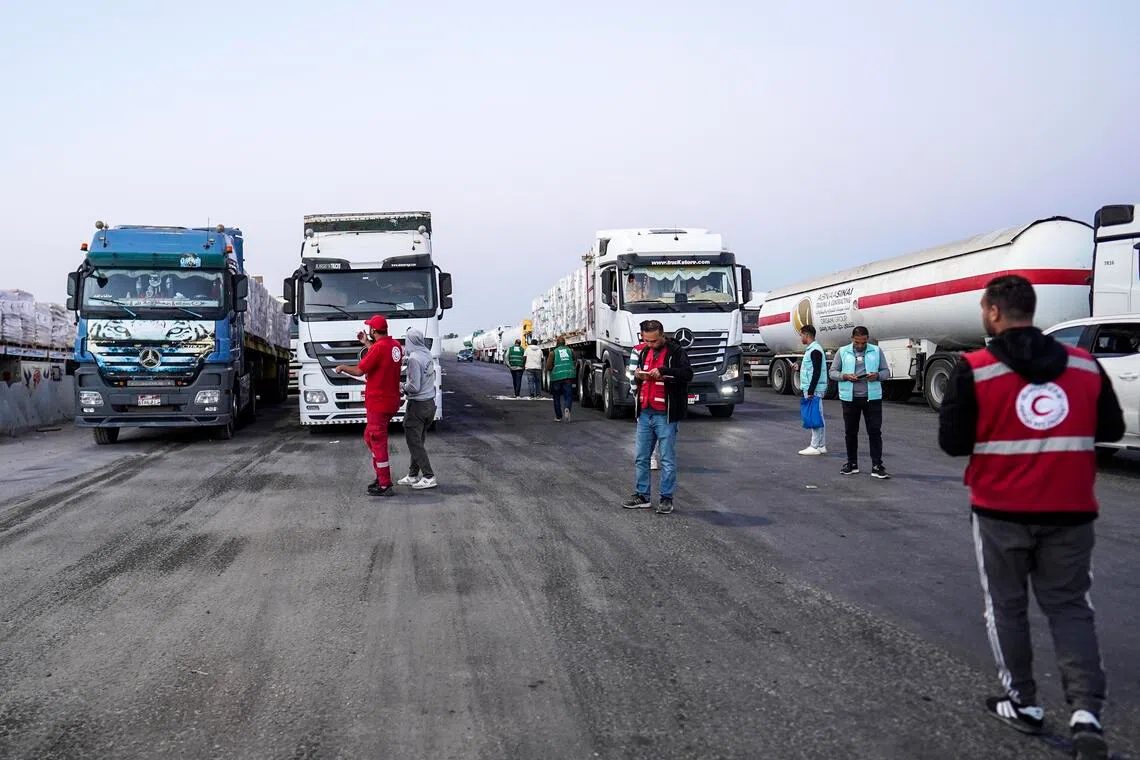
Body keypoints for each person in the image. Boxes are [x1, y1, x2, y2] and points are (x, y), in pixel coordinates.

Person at [938, 275, 1124, 757]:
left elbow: (953, 443)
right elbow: (1111, 428)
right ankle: (1086, 713)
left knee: (1006, 607)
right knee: (1070, 607)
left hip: (1000, 510)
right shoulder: (1085, 366)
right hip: (1072, 508)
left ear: (994, 312)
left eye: (983, 307)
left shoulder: (974, 369)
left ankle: (1023, 702)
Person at [623, 319, 693, 514]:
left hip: (665, 414)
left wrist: (664, 372)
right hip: (645, 412)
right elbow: (636, 377)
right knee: (641, 457)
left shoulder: (676, 352)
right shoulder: (644, 351)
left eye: (654, 341)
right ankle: (642, 496)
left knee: (667, 459)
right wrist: (639, 375)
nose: (651, 344)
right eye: (647, 341)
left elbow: (687, 374)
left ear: (662, 335)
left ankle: (666, 498)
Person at [334, 315, 404, 497]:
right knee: (369, 436)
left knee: (376, 440)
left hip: (378, 402)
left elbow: (359, 370)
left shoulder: (379, 348)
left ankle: (384, 484)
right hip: (391, 400)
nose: (368, 331)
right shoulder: (395, 346)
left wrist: (342, 367)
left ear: (373, 330)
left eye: (369, 329)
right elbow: (379, 355)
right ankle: (381, 478)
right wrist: (366, 343)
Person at [829, 326, 891, 478]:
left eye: (864, 342)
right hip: (849, 398)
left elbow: (886, 372)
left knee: (875, 432)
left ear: (867, 339)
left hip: (872, 398)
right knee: (851, 432)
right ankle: (852, 463)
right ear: (852, 339)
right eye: (857, 342)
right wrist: (845, 376)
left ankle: (877, 466)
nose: (861, 346)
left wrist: (877, 376)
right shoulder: (842, 352)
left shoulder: (876, 351)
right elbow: (832, 372)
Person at [398, 327, 438, 490]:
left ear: (410, 341)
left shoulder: (414, 359)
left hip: (417, 406)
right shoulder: (427, 354)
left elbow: (414, 387)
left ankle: (429, 476)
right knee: (418, 441)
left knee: (414, 442)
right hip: (429, 404)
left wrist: (401, 385)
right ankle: (413, 475)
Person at [797, 324, 828, 455]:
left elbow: (816, 372)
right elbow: (811, 369)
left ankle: (814, 446)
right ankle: (821, 445)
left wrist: (810, 390)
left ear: (806, 335)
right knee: (818, 416)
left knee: (814, 416)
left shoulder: (815, 350)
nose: (800, 338)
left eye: (801, 335)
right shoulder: (813, 350)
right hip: (814, 388)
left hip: (814, 389)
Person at [546, 337, 575, 421]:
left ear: (557, 343)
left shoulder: (553, 353)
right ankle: (567, 408)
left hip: (556, 378)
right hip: (568, 376)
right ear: (565, 343)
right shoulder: (570, 351)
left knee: (556, 397)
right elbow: (573, 360)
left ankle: (558, 416)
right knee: (568, 396)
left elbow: (548, 366)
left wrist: (552, 369)